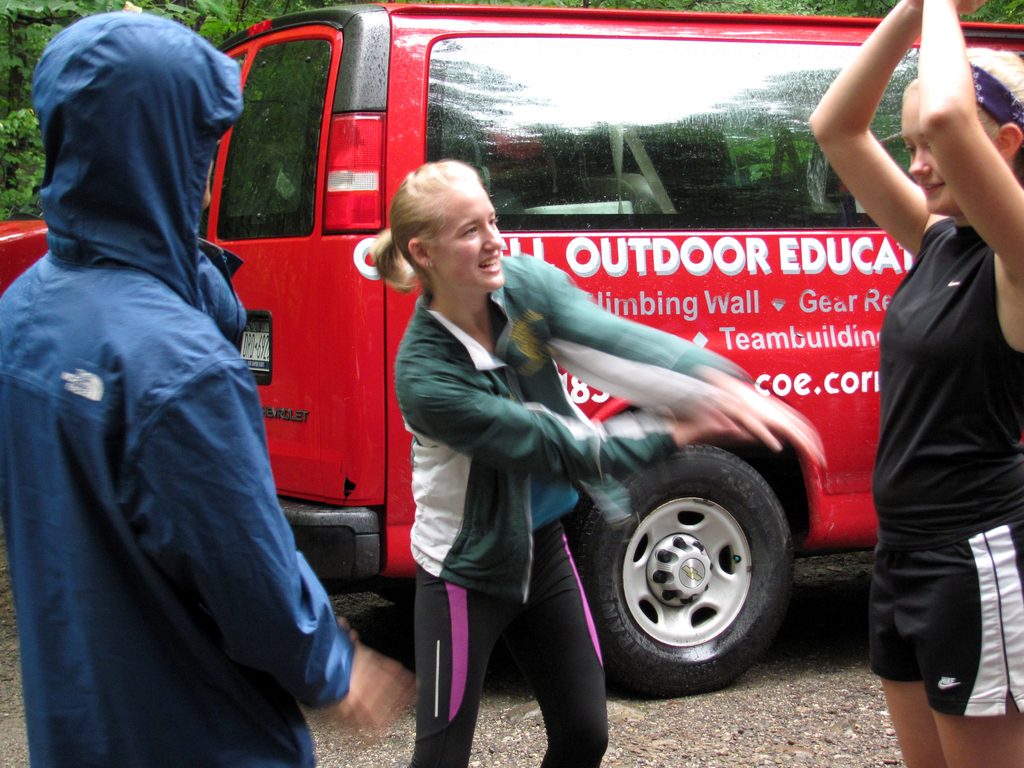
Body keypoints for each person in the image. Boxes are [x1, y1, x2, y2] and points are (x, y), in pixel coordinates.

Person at [0, 12, 412, 767]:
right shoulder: (178, 366)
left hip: (78, 729)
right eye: (204, 137)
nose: (212, 158)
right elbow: (248, 576)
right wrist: (332, 665)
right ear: (165, 148)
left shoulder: (24, 310)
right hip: (200, 738)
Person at [370, 159, 825, 768]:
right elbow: (558, 445)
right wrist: (681, 427)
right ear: (423, 253)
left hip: (544, 550)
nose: (495, 242)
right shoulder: (427, 377)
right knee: (441, 759)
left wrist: (716, 383)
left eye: (493, 220)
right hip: (464, 571)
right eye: (469, 231)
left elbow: (610, 341)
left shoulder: (523, 287)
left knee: (585, 735)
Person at [809, 2, 1024, 766]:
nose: (919, 163)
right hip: (900, 554)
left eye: (931, 147)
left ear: (1003, 145)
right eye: (911, 148)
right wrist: (909, 11)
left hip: (973, 559)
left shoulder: (1016, 261)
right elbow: (834, 129)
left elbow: (947, 111)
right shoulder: (936, 240)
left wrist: (941, 4)